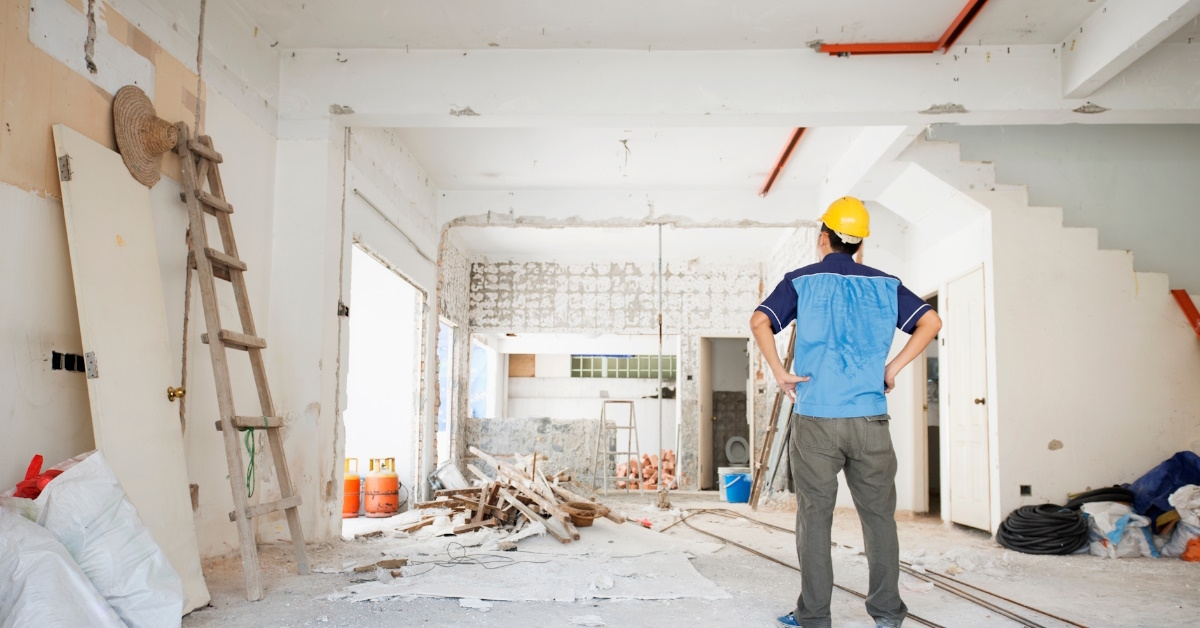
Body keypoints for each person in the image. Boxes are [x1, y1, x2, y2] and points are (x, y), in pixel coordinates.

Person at [750, 197, 942, 628]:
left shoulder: (801, 281)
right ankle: (888, 614)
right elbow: (930, 322)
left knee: (814, 519)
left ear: (824, 238)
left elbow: (759, 321)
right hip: (871, 419)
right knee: (879, 519)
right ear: (860, 246)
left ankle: (814, 616)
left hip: (816, 419)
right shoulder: (886, 284)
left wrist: (781, 372)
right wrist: (891, 368)